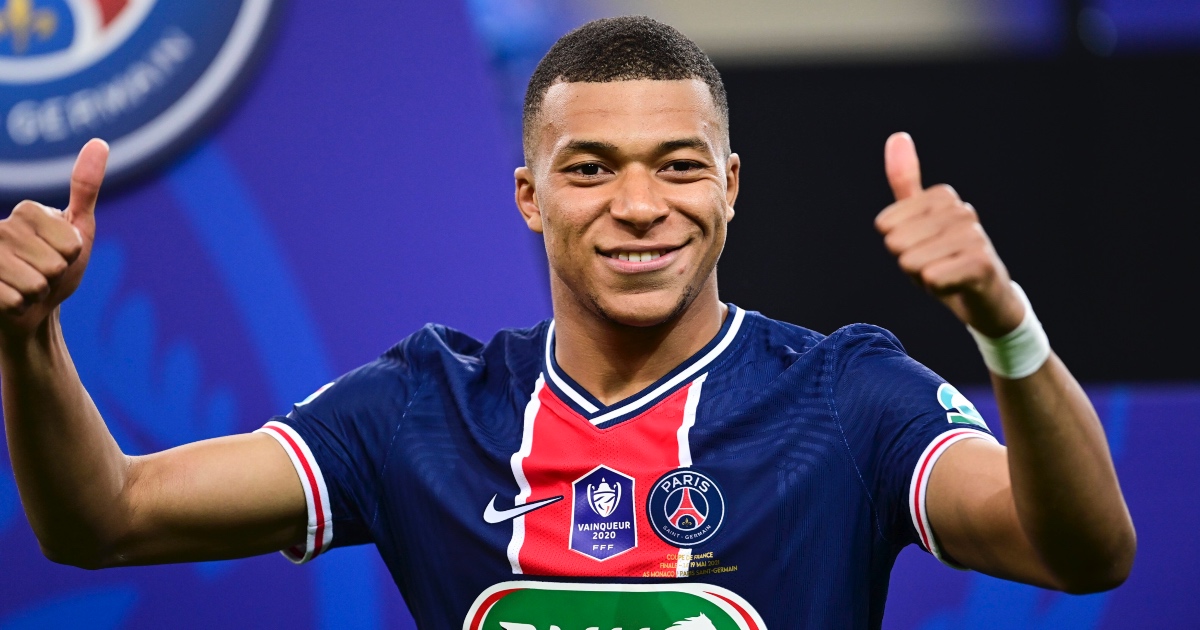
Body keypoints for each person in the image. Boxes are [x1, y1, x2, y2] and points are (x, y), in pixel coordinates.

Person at [0, 16, 1133, 630]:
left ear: (731, 185)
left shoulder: (846, 395)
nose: (639, 204)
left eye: (678, 165)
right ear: (529, 196)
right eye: (590, 168)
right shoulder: (420, 410)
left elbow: (1083, 552)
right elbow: (107, 520)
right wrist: (30, 338)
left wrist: (1007, 329)